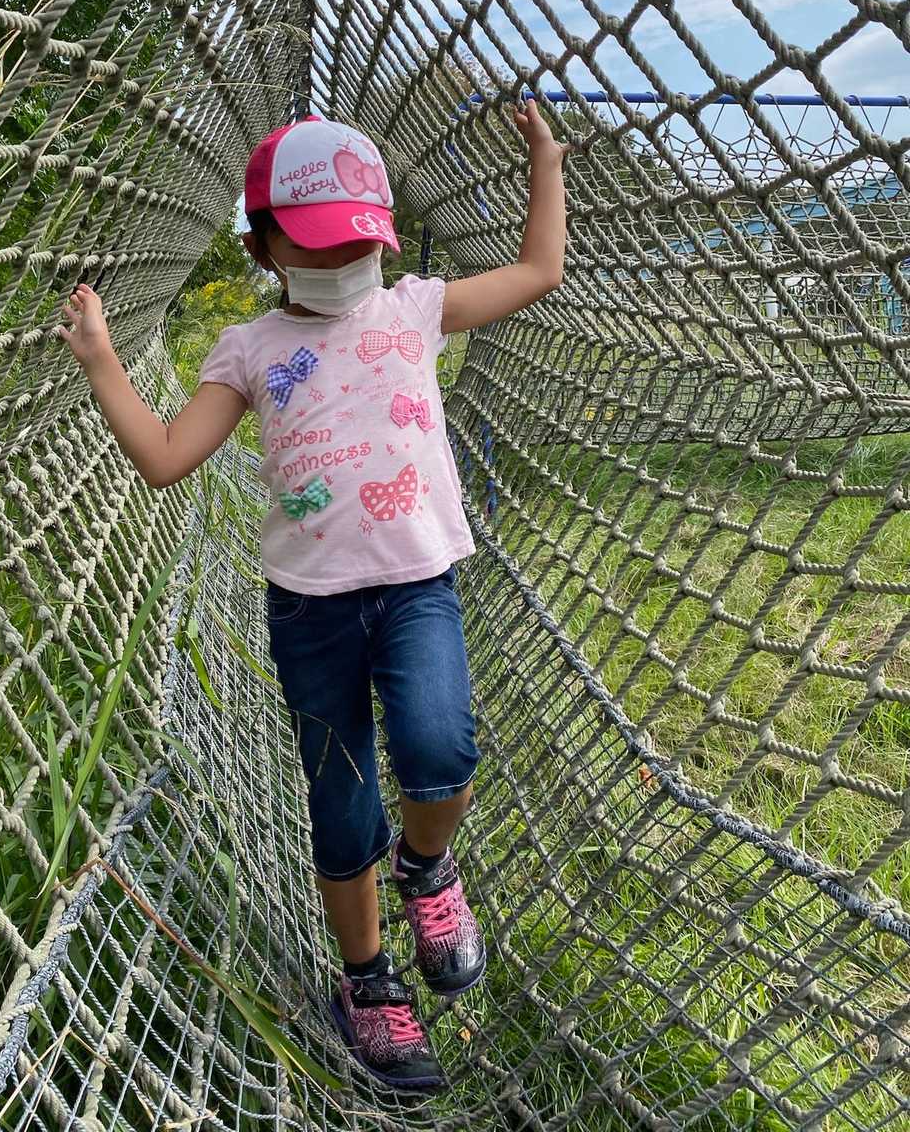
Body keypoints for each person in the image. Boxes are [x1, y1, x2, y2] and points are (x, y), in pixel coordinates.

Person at [58, 95, 568, 1092]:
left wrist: (544, 162)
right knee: (341, 806)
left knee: (439, 750)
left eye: (357, 242)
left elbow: (538, 270)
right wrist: (103, 360)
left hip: (416, 585)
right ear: (263, 248)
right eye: (319, 244)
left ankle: (427, 866)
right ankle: (367, 982)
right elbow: (165, 457)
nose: (344, 262)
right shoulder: (247, 349)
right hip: (311, 610)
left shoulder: (414, 307)